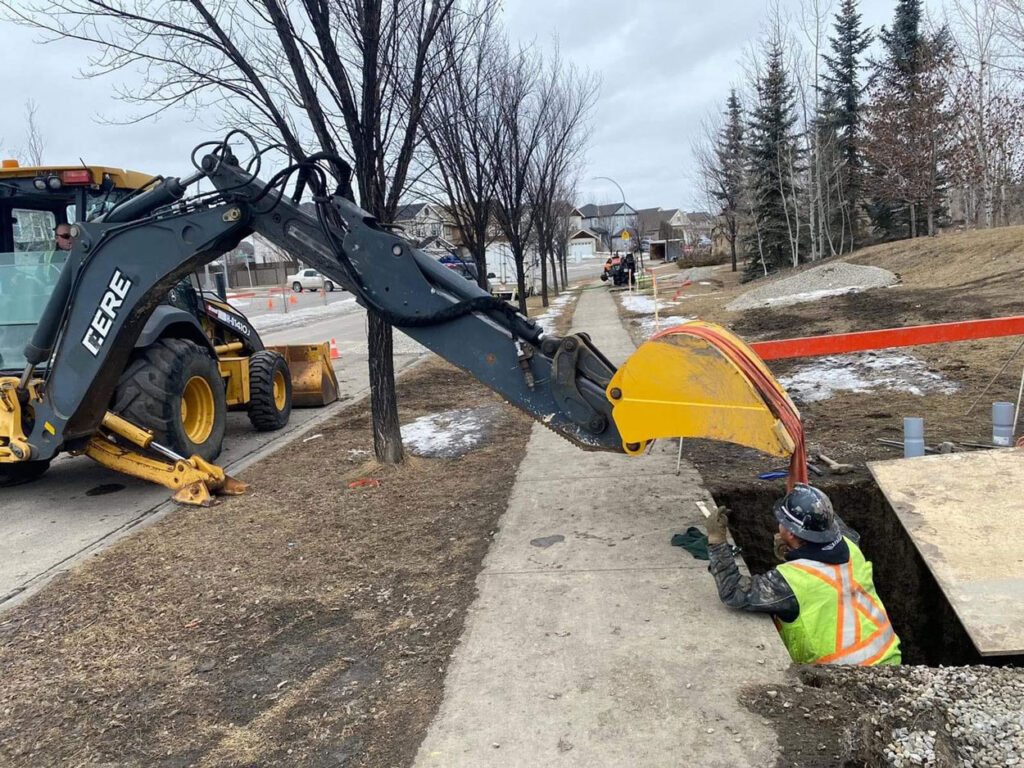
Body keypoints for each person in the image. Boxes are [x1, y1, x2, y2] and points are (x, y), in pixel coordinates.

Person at [705, 483, 901, 666]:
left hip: (840, 678)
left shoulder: (789, 581)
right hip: (890, 662)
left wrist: (717, 542)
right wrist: (794, 552)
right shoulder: (850, 544)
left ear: (790, 533)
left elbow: (733, 592)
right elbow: (827, 527)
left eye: (781, 522)